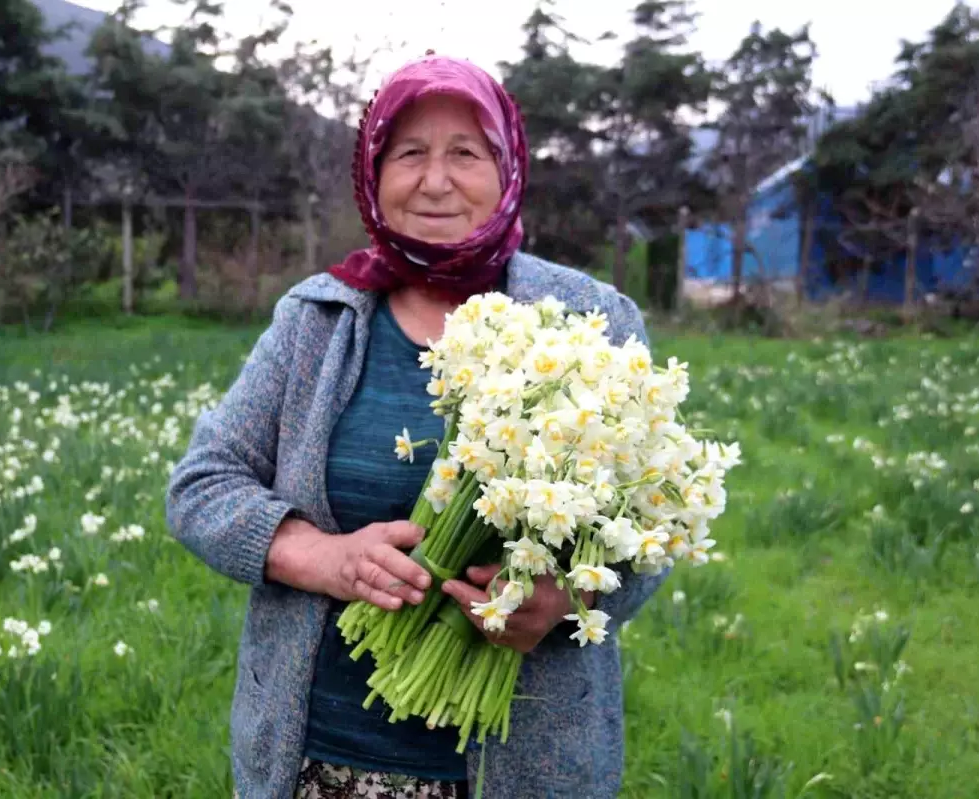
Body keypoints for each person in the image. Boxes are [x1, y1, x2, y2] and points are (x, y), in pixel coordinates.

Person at [166, 53, 668, 799]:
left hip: (522, 769)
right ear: (373, 173)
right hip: (318, 763)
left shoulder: (588, 322)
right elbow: (201, 487)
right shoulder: (319, 319)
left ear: (508, 170)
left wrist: (563, 601)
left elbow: (648, 526)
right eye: (409, 154)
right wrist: (325, 557)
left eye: (465, 153)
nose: (436, 181)